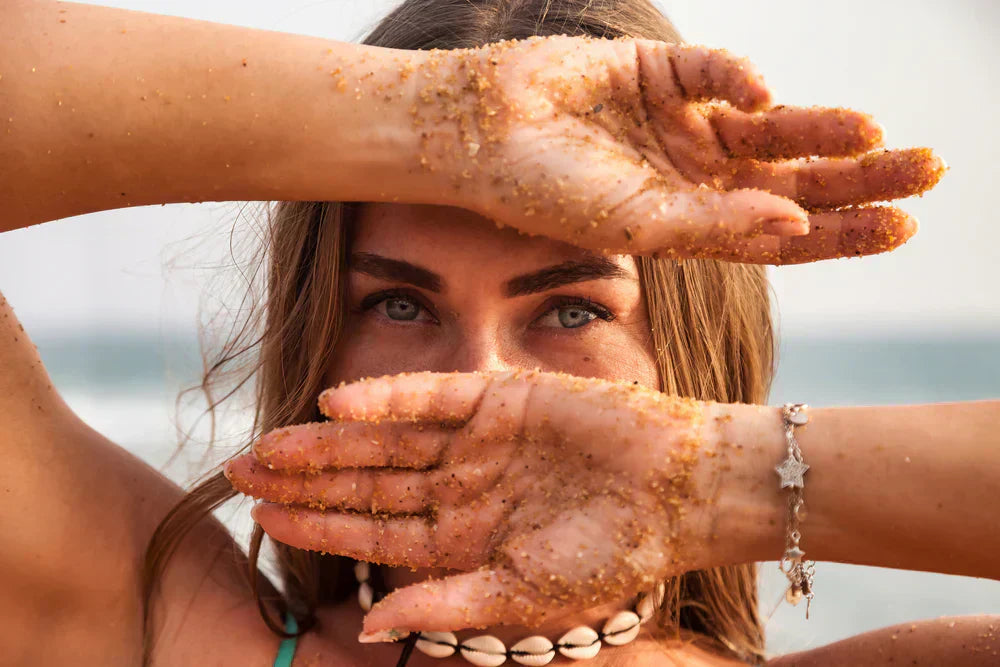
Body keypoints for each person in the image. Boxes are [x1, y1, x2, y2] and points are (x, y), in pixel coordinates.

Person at [1, 1, 996, 666]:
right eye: (397, 305)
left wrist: (718, 479)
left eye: (572, 311)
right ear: (319, 338)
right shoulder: (152, 624)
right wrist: (434, 125)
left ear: (690, 353)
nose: (481, 387)